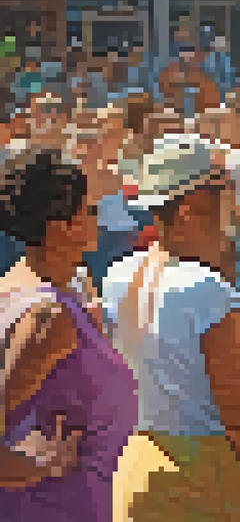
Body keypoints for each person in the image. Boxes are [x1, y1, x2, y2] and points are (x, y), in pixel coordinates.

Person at [105, 134, 240, 521]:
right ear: (189, 208)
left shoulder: (120, 274)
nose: (231, 205)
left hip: (136, 467)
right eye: (220, 193)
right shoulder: (204, 291)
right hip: (201, 481)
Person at [0, 147, 136, 521]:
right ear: (62, 228)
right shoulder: (47, 315)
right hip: (51, 506)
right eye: (90, 210)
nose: (98, 218)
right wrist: (39, 466)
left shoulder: (38, 292)